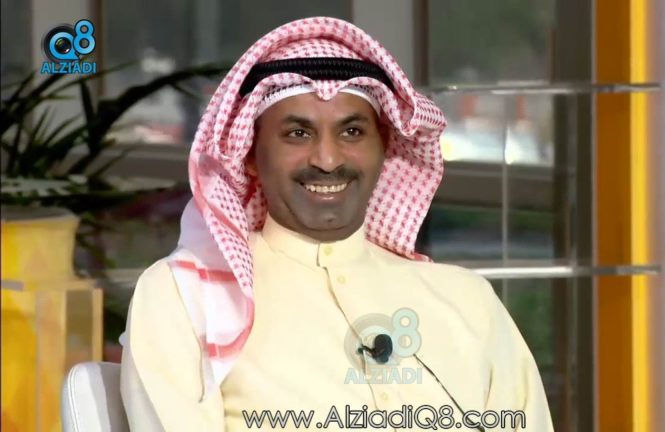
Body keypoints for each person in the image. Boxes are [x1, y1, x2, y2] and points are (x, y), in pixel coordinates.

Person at [120, 16, 554, 431]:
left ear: (385, 147)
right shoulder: (187, 298)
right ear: (250, 154)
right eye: (298, 133)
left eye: (351, 132)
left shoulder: (468, 301)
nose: (327, 159)